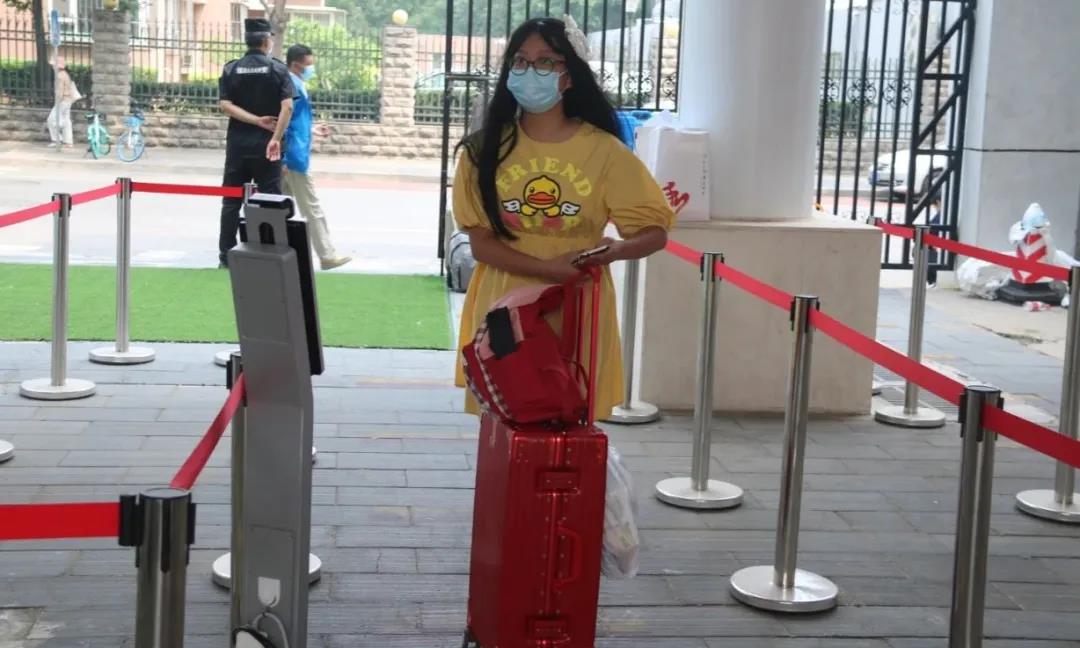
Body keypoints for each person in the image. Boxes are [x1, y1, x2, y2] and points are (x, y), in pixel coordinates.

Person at [452, 17, 674, 420]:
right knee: (505, 422)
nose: (529, 71)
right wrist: (545, 269)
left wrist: (617, 250)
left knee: (569, 422)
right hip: (504, 308)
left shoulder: (606, 152)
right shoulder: (482, 151)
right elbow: (482, 244)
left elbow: (654, 232)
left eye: (545, 61)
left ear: (568, 77)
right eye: (520, 61)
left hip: (577, 305)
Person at [216, 18, 296, 268]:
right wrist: (275, 138)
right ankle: (268, 254)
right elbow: (287, 107)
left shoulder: (231, 69)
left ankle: (226, 257)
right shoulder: (277, 69)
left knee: (231, 201)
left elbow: (225, 105)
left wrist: (254, 120)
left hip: (238, 146)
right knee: (270, 200)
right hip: (267, 147)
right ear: (266, 41)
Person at [282, 44, 352, 270]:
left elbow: (294, 121)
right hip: (294, 157)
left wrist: (311, 130)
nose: (311, 69)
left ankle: (273, 251)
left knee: (278, 207)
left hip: (292, 154)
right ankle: (327, 254)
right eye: (309, 65)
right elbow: (284, 120)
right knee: (311, 207)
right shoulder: (290, 86)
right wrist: (285, 156)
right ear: (296, 65)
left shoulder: (295, 84)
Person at [47, 57, 80, 149]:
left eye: (53, 65)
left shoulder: (60, 76)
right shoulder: (65, 74)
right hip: (68, 100)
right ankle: (68, 142)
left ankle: (56, 140)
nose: (52, 66)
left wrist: (57, 101)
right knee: (66, 121)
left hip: (62, 101)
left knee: (51, 119)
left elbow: (59, 91)